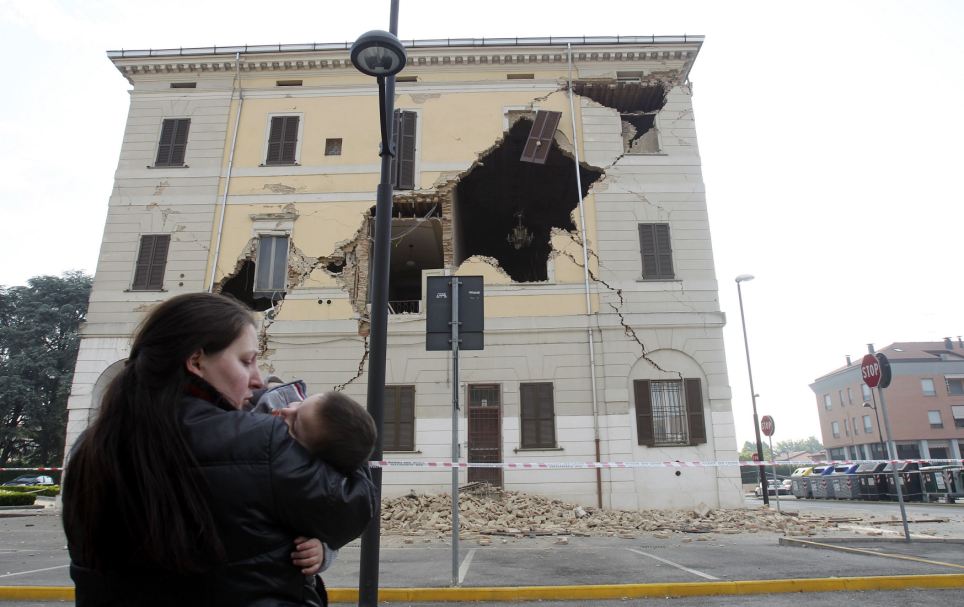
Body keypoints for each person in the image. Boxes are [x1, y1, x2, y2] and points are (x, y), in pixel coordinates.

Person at [61, 293, 376, 606]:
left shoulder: (87, 450)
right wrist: (339, 429)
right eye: (246, 361)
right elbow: (352, 505)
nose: (257, 380)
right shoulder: (261, 442)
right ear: (196, 361)